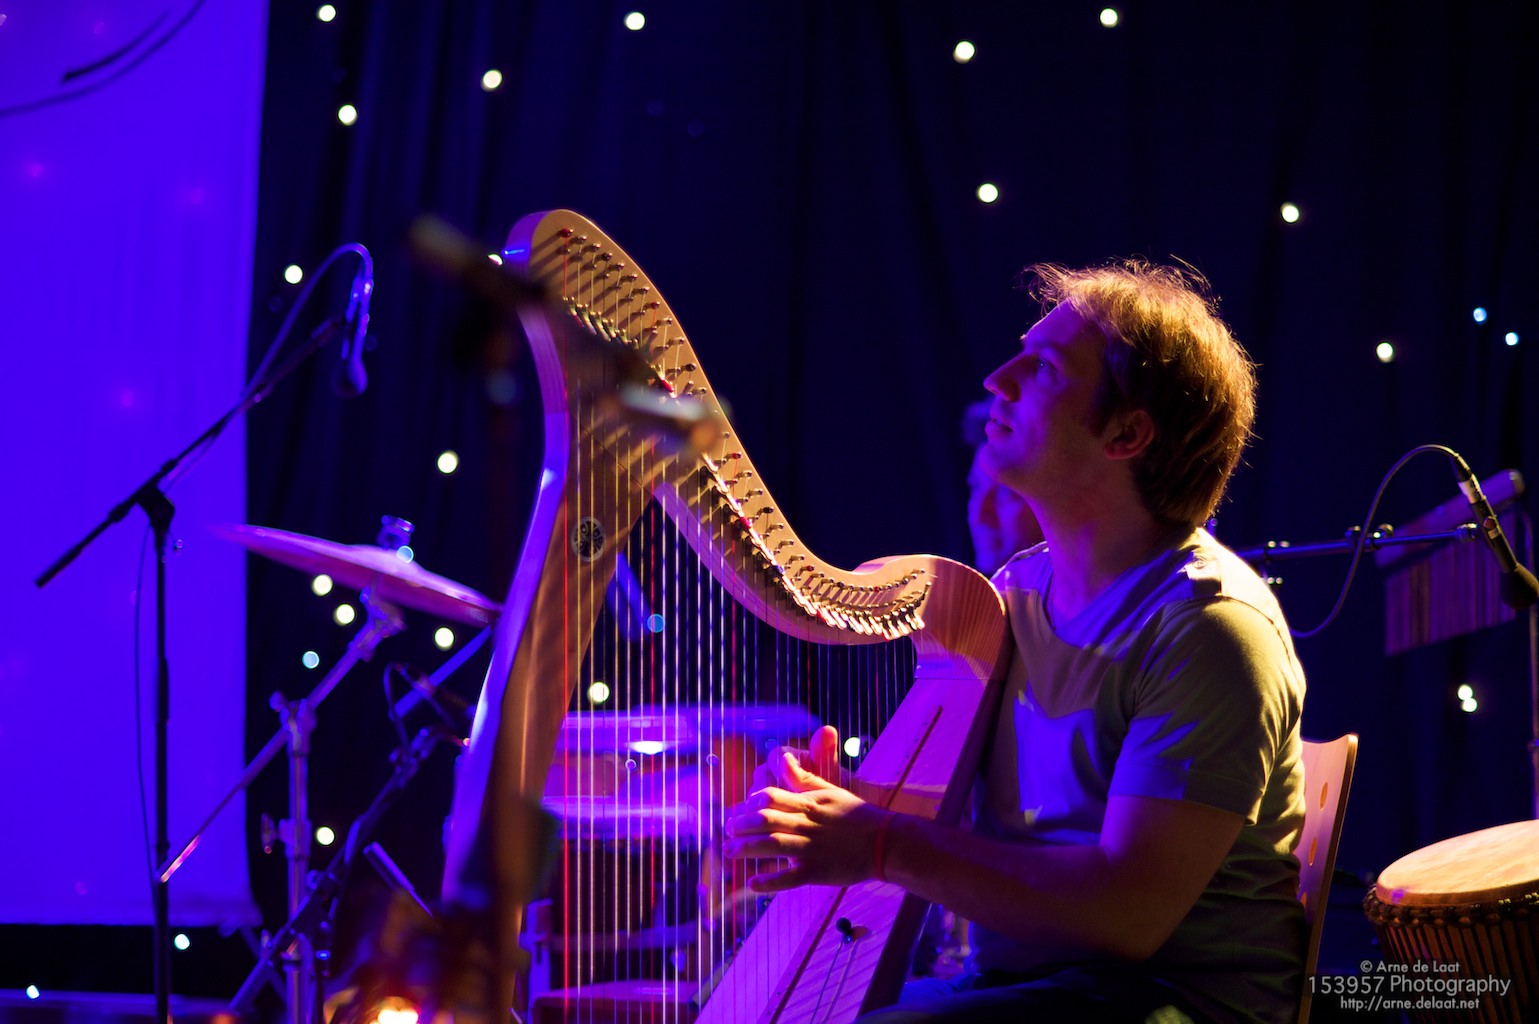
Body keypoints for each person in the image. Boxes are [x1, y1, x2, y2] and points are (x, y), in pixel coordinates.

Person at [722, 260, 1307, 1024]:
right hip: (1027, 985)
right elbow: (1006, 834)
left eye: (1045, 368)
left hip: (1171, 1000)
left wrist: (878, 843)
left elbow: (1125, 915)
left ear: (1126, 433)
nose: (998, 379)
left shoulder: (1208, 627)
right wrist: (841, 809)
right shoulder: (1020, 590)